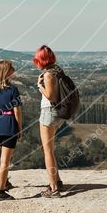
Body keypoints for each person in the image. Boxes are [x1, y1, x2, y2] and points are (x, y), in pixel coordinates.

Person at [34, 44, 64, 197]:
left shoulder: (48, 75)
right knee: (50, 150)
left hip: (49, 112)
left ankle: (53, 188)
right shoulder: (58, 70)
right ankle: (57, 181)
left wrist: (40, 86)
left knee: (47, 151)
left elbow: (50, 96)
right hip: (59, 113)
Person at [0, 60, 23, 200]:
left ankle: (5, 182)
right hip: (9, 126)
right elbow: (17, 112)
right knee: (5, 161)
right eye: (11, 68)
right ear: (7, 72)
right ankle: (1, 191)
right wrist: (19, 128)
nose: (14, 70)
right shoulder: (13, 90)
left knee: (5, 157)